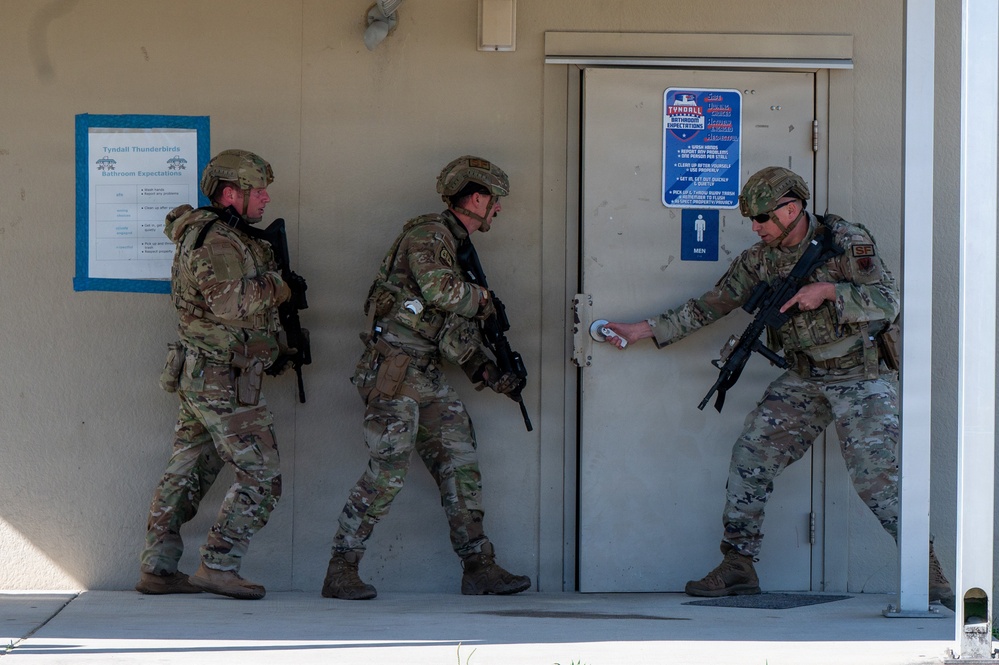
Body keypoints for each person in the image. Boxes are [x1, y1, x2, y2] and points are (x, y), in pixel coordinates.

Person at [603, 166, 954, 609]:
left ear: (792, 209)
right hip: (805, 376)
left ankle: (927, 569)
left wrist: (829, 291)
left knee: (878, 479)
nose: (756, 227)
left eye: (763, 218)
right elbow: (710, 306)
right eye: (752, 219)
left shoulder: (845, 242)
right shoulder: (759, 260)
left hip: (860, 376)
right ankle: (738, 566)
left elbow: (889, 299)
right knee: (751, 456)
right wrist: (644, 330)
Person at [321, 155, 531, 600]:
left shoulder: (455, 246)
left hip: (426, 376)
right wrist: (485, 300)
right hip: (395, 374)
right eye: (495, 201)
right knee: (388, 472)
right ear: (477, 198)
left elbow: (442, 325)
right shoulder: (429, 236)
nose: (498, 209)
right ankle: (341, 568)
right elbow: (441, 293)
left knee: (460, 462)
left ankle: (479, 567)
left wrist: (488, 370)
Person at [135, 149, 292, 600]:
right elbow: (229, 303)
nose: (265, 198)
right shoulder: (218, 240)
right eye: (257, 190)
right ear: (231, 193)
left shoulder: (216, 234)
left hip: (203, 373)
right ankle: (218, 565)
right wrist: (279, 286)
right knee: (263, 473)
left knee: (185, 472)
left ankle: (159, 568)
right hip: (221, 377)